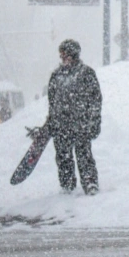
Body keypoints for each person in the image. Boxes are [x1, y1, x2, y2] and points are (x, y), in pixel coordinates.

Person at [42, 39, 102, 195]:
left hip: (81, 124)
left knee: (84, 155)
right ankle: (67, 185)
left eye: (65, 55)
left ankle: (90, 184)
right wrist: (52, 121)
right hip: (62, 125)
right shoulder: (56, 76)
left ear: (74, 55)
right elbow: (52, 101)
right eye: (61, 55)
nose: (62, 58)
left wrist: (94, 122)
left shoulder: (86, 73)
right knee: (63, 157)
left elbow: (95, 100)